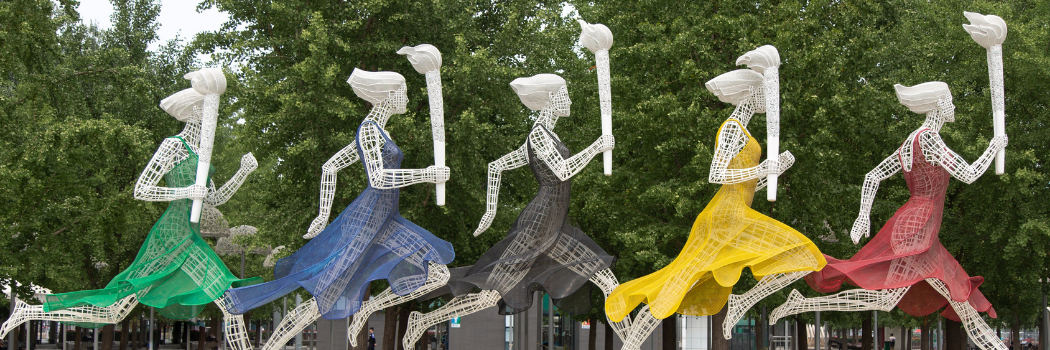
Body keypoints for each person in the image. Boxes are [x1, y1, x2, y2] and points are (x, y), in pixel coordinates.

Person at [0, 69, 262, 339]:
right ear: (194, 112)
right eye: (208, 111)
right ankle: (30, 311)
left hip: (189, 233)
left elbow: (214, 199)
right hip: (173, 234)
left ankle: (29, 311)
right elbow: (143, 189)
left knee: (117, 312)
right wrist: (185, 190)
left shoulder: (202, 156)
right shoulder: (173, 146)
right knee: (225, 299)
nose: (213, 117)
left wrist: (243, 172)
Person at [606, 46, 827, 343]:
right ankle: (740, 302)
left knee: (681, 283)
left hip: (734, 214)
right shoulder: (732, 129)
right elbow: (717, 174)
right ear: (750, 93)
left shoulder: (746, 133)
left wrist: (772, 172)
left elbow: (745, 186)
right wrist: (762, 168)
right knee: (677, 285)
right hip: (724, 217)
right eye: (764, 91)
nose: (769, 98)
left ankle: (742, 301)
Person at [220, 68, 453, 350]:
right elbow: (377, 178)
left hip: (387, 221)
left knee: (438, 274)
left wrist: (323, 214)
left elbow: (330, 166)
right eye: (403, 92)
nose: (406, 98)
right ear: (390, 95)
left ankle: (368, 310)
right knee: (324, 297)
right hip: (366, 222)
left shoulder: (380, 132)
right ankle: (270, 346)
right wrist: (426, 174)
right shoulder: (369, 130)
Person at [767, 82, 1008, 350]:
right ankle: (800, 301)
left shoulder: (912, 141)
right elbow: (969, 174)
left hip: (921, 228)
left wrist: (864, 215)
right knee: (954, 295)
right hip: (917, 229)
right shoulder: (929, 139)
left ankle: (800, 303)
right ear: (939, 105)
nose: (953, 106)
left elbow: (874, 176)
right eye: (950, 101)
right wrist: (994, 146)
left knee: (910, 298)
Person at [400, 73, 626, 349]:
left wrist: (490, 210)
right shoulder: (538, 135)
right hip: (539, 225)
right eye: (564, 95)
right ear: (551, 99)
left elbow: (496, 166)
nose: (569, 101)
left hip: (554, 225)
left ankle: (630, 343)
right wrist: (597, 147)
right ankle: (424, 320)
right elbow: (562, 170)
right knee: (491, 294)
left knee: (606, 278)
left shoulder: (548, 135)